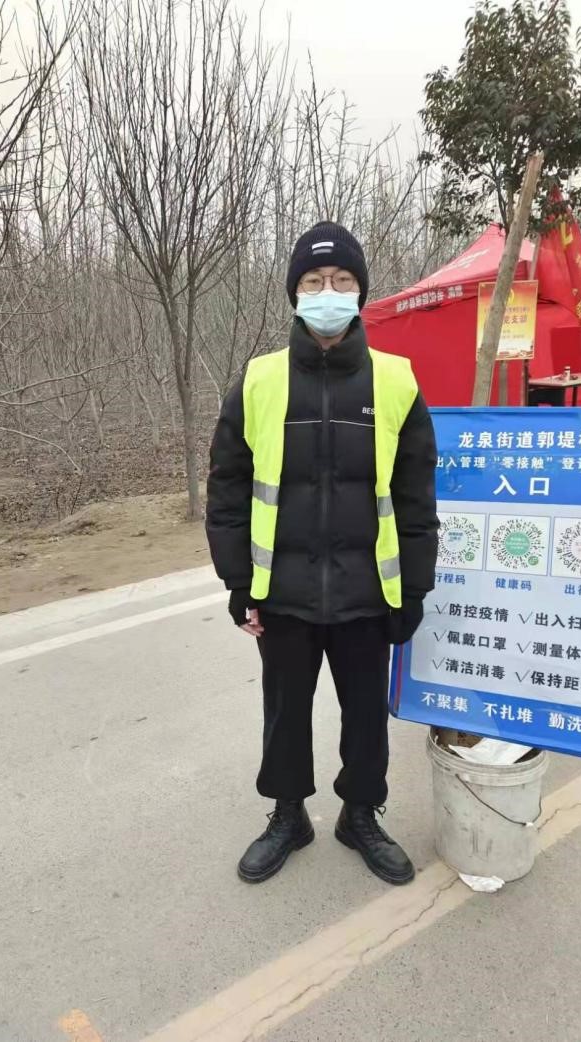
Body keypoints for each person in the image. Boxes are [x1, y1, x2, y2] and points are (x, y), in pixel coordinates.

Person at [205, 222, 439, 886]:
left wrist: (412, 590)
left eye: (340, 280)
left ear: (359, 291)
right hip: (284, 590)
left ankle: (359, 814)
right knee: (284, 711)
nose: (327, 292)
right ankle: (288, 816)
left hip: (367, 591)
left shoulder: (395, 380)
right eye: (312, 281)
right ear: (294, 293)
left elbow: (414, 495)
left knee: (365, 716)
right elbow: (228, 488)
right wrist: (238, 581)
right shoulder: (259, 380)